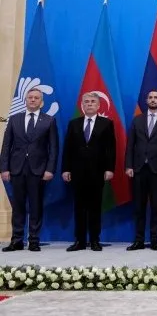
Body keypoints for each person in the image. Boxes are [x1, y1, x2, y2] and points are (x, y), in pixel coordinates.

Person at [0, 88, 58, 252]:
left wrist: (50, 169)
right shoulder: (14, 119)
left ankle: (33, 240)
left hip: (38, 170)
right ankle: (17, 241)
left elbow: (53, 148)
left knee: (35, 206)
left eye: (36, 98)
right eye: (30, 97)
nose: (32, 100)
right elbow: (6, 145)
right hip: (16, 169)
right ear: (25, 100)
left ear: (42, 102)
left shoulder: (49, 120)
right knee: (18, 206)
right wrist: (4, 168)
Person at [62, 92, 116, 252]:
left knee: (95, 207)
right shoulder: (74, 124)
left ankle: (94, 240)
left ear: (98, 105)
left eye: (93, 101)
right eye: (86, 101)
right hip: (77, 172)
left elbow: (111, 148)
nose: (90, 104)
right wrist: (66, 169)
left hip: (97, 171)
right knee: (79, 207)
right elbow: (68, 148)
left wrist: (109, 168)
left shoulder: (106, 123)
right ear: (82, 105)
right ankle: (79, 241)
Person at [124, 89, 157, 251]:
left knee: (155, 206)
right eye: (150, 97)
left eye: (156, 97)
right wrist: (129, 165)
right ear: (146, 100)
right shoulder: (137, 120)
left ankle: (154, 240)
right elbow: (130, 145)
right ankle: (139, 240)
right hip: (138, 169)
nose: (153, 100)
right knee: (139, 207)